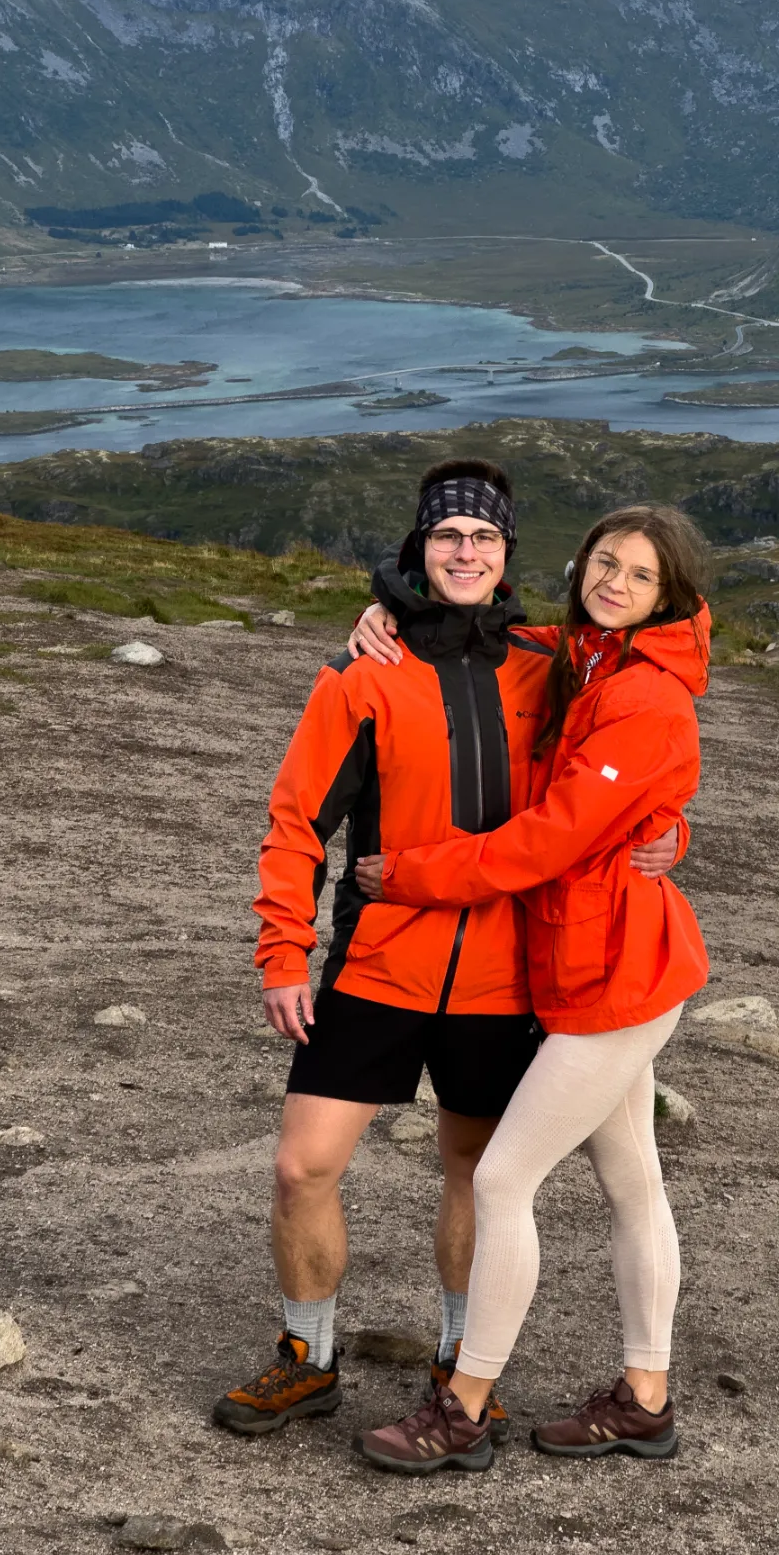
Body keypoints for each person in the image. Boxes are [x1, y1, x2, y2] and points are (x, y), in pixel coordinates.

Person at [211, 461, 678, 1439]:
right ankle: (308, 1355)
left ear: (508, 557)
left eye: (484, 538)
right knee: (303, 1166)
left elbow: (629, 770)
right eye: (447, 537)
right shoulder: (361, 671)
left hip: (506, 974)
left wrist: (673, 830)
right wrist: (282, 952)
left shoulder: (547, 662)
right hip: (377, 963)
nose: (465, 552)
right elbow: (297, 821)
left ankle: (464, 1366)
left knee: (476, 1172)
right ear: (419, 550)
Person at [349, 505, 711, 1475]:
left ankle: (463, 1405)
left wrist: (414, 873)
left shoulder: (644, 698)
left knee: (504, 1178)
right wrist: (384, 612)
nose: (614, 582)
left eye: (638, 574)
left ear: (668, 595)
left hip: (617, 976)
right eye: (603, 561)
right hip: (599, 959)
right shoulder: (586, 655)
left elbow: (549, 836)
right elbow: (480, 631)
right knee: (633, 1179)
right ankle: (644, 1395)